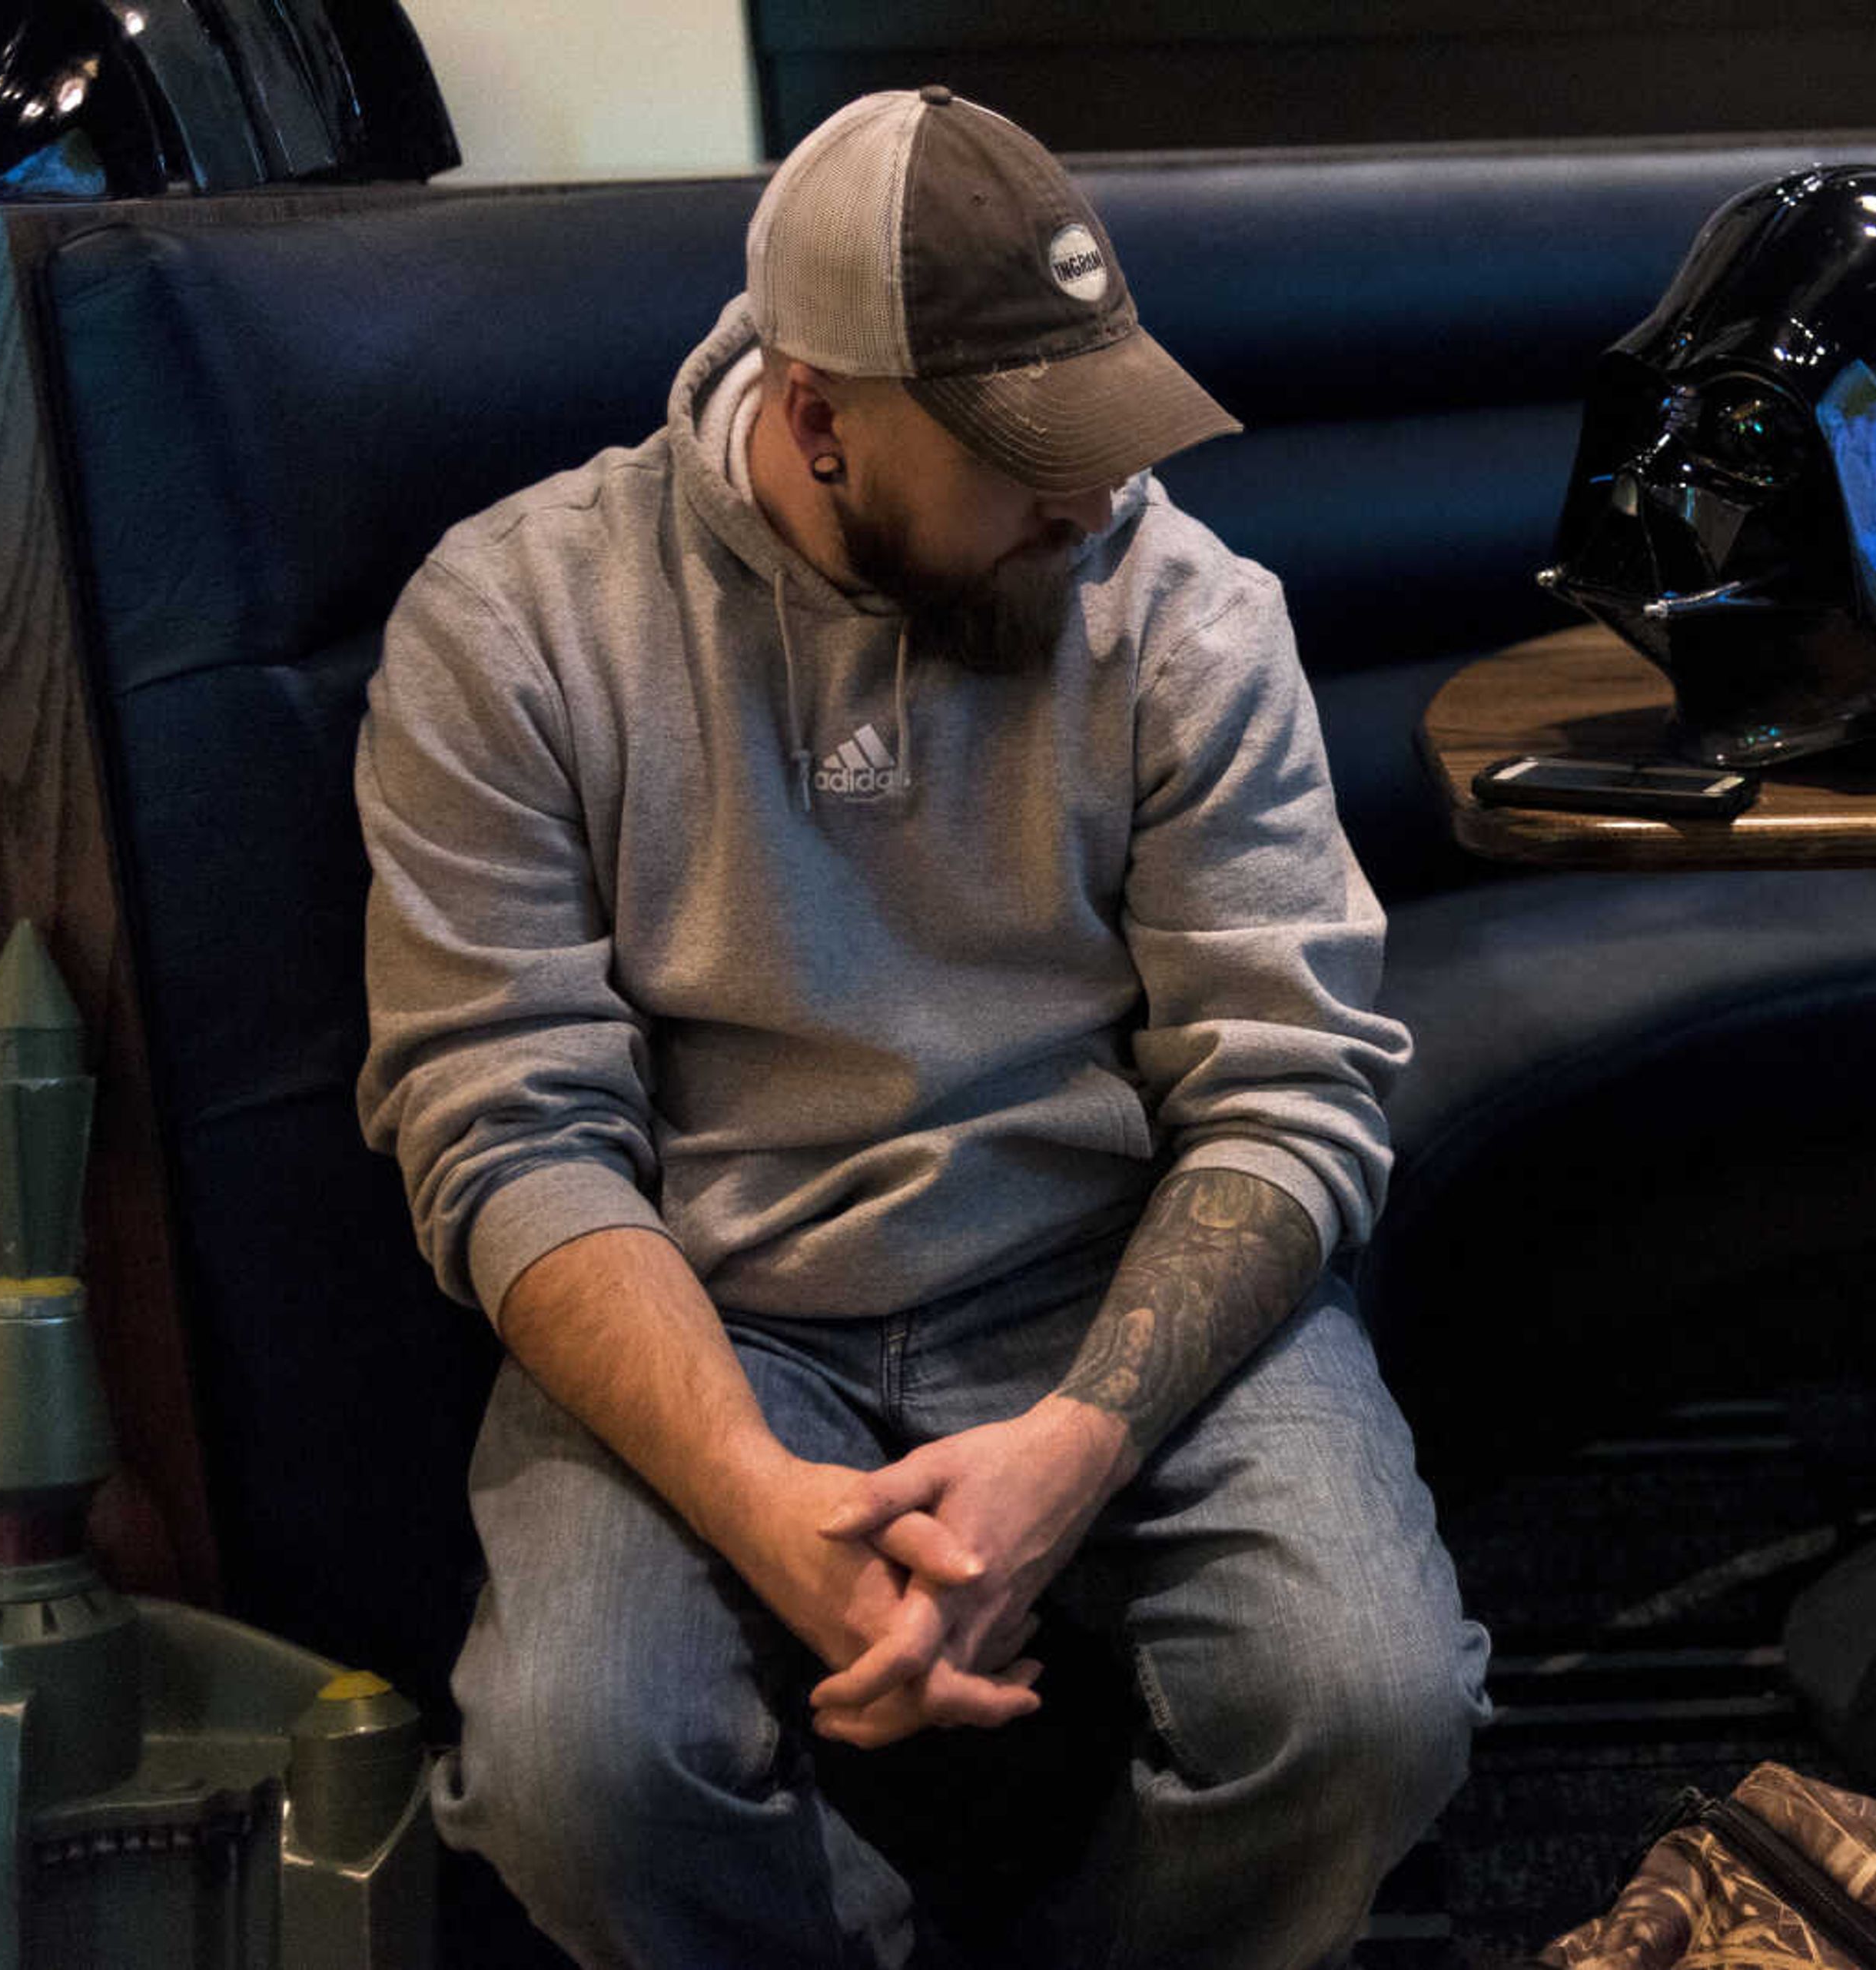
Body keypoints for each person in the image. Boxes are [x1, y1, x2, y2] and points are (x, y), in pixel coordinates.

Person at [354, 85, 1492, 1968]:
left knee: (1371, 1710)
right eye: (1026, 451)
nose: (1093, 494)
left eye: (1108, 423)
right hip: (707, 1291)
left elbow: (1288, 1091)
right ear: (820, 417)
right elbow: (503, 1126)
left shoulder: (1187, 616)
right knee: (575, 1773)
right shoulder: (514, 623)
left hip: (1093, 1259)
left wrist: (1073, 1451)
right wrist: (756, 1492)